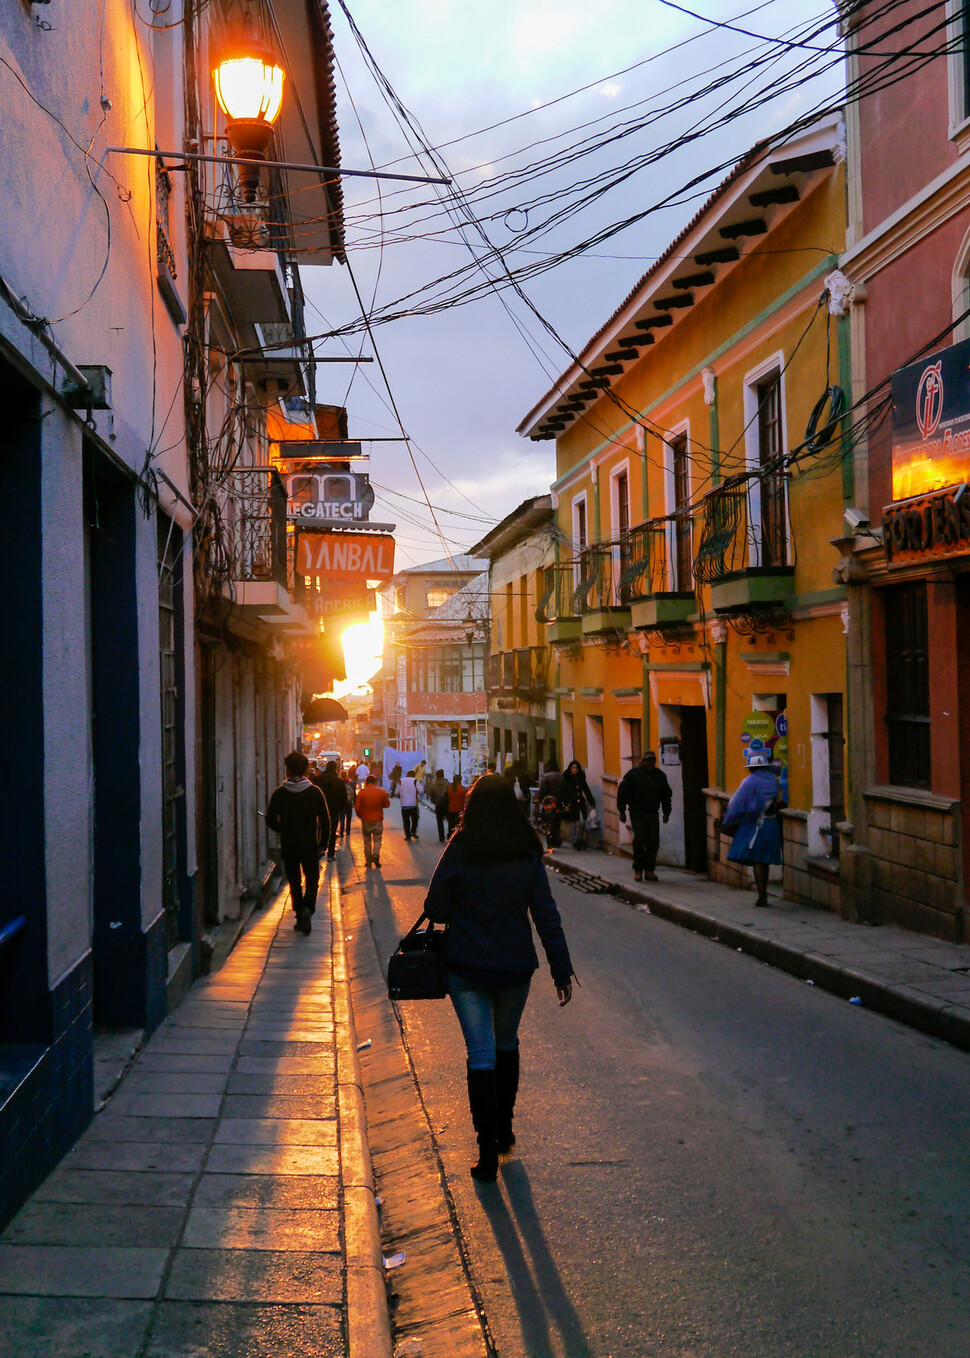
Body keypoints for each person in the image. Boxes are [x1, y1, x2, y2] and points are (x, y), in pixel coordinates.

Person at [423, 774, 574, 1183]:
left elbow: (434, 906)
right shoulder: (526, 850)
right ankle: (505, 1127)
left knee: (481, 1055)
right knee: (506, 1045)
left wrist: (465, 907)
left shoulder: (462, 845)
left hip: (467, 967)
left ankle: (486, 1148)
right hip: (514, 967)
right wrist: (561, 969)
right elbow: (546, 915)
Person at [265, 751, 330, 934]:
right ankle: (308, 908)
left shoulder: (280, 793)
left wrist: (283, 828)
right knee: (312, 879)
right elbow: (325, 821)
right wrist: (322, 844)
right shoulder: (314, 792)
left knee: (294, 882)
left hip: (289, 845)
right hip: (309, 845)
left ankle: (300, 913)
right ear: (305, 770)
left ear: (288, 770)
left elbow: (270, 818)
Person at [722, 753, 785, 907]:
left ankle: (762, 896)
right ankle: (764, 893)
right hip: (772, 824)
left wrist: (728, 820)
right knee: (765, 861)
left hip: (757, 824)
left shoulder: (749, 781)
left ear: (752, 768)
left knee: (757, 860)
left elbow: (736, 803)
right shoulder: (774, 781)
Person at [617, 751, 673, 883]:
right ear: (643, 761)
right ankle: (638, 869)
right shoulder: (633, 775)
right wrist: (622, 811)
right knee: (639, 839)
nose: (650, 763)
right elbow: (622, 792)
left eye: (652, 761)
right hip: (637, 811)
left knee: (653, 841)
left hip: (652, 812)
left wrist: (666, 813)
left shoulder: (660, 776)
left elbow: (666, 796)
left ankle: (649, 870)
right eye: (648, 761)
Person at [355, 774, 390, 869]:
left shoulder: (362, 793)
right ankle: (375, 855)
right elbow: (387, 804)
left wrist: (361, 816)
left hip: (366, 820)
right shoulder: (381, 792)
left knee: (367, 841)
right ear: (375, 782)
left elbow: (357, 807)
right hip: (378, 820)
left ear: (366, 782)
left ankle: (368, 861)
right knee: (377, 839)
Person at [560, 760, 595, 850]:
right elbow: (562, 793)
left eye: (576, 768)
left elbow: (586, 790)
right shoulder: (566, 779)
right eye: (573, 768)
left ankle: (580, 839)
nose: (575, 770)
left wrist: (592, 802)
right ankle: (575, 841)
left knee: (583, 822)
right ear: (570, 769)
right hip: (571, 804)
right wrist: (565, 805)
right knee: (573, 824)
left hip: (580, 804)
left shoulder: (580, 779)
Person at [318, 760, 347, 861]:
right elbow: (344, 798)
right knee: (332, 831)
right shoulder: (339, 781)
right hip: (334, 810)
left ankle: (320, 848)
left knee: (319, 829)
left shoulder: (319, 779)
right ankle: (330, 854)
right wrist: (340, 809)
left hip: (320, 809)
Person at [537, 759, 564, 849]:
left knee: (548, 823)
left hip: (549, 802)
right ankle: (557, 839)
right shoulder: (561, 776)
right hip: (559, 802)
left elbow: (542, 791)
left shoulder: (546, 777)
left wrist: (542, 801)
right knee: (557, 822)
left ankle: (551, 841)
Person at [427, 768, 450, 842]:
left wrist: (435, 802)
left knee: (439, 822)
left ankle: (441, 837)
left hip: (438, 805)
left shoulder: (433, 785)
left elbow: (431, 797)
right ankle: (450, 835)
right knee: (450, 820)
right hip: (447, 804)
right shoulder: (448, 784)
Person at [400, 768, 420, 841]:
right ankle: (413, 831)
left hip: (404, 805)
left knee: (406, 821)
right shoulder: (415, 781)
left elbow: (397, 791)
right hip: (413, 804)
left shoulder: (401, 781)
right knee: (415, 819)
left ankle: (407, 835)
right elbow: (421, 790)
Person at [338, 769, 354, 840]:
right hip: (349, 802)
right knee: (349, 817)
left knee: (342, 817)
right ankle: (348, 831)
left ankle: (341, 831)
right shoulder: (350, 782)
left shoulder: (338, 782)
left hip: (342, 802)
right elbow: (353, 792)